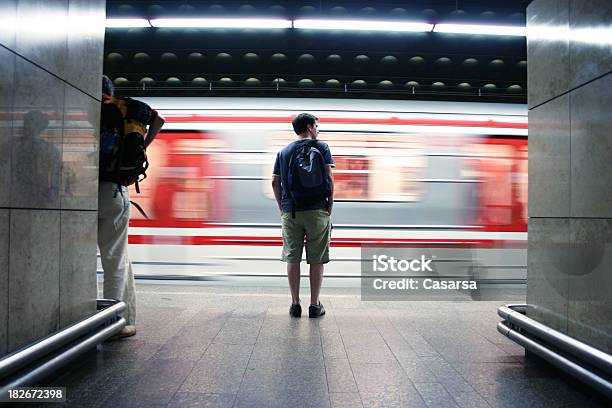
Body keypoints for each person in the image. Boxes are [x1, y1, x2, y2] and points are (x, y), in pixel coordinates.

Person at [98, 75, 165, 338]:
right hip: (114, 191)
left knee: (79, 261)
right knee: (115, 260)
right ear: (110, 91)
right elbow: (159, 119)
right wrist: (145, 146)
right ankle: (115, 323)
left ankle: (78, 319)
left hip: (78, 195)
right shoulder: (125, 107)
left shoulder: (80, 105)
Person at [272, 113, 334, 318]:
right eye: (316, 125)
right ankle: (314, 305)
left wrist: (283, 209)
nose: (318, 129)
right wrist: (328, 209)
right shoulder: (322, 147)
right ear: (309, 127)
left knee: (293, 257)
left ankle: (295, 304)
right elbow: (331, 180)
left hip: (291, 211)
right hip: (317, 210)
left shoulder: (283, 151)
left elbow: (274, 182)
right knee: (316, 259)